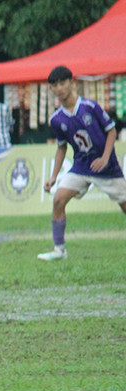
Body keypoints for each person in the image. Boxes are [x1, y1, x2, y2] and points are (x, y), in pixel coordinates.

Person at [38, 65, 126, 261]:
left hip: (106, 167)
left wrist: (105, 158)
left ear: (72, 82)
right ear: (51, 89)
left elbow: (111, 131)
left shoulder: (90, 107)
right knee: (58, 200)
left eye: (62, 83)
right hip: (80, 166)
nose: (59, 88)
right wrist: (53, 177)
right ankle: (59, 250)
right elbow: (62, 147)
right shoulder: (56, 119)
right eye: (54, 85)